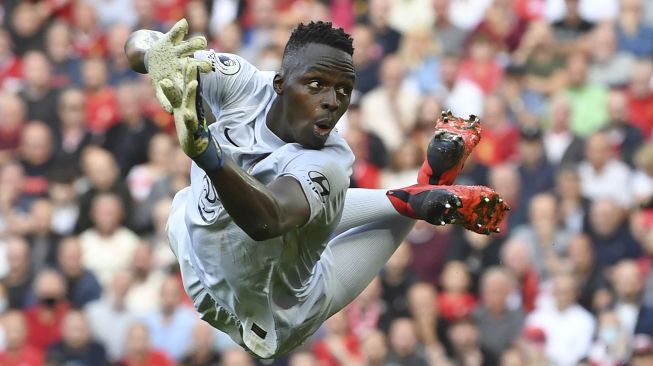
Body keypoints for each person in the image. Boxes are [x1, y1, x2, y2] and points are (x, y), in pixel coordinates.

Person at [124, 18, 508, 359]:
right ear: (279, 83)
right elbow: (138, 45)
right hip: (197, 249)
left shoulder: (329, 165)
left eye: (344, 90)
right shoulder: (242, 83)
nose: (331, 101)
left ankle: (428, 187)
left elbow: (265, 221)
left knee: (372, 215)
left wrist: (209, 155)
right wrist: (156, 56)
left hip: (280, 305)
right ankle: (423, 196)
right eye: (316, 84)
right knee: (186, 206)